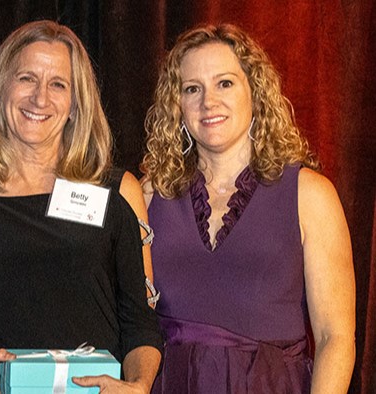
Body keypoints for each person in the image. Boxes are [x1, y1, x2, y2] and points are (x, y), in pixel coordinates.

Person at [0, 20, 163, 394]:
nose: (40, 98)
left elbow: (141, 322)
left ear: (74, 105)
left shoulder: (118, 192)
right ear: (0, 88)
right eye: (26, 79)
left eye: (58, 84)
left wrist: (138, 385)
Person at [140, 23, 355, 393]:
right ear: (176, 104)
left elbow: (336, 337)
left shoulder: (310, 195)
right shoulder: (148, 195)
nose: (209, 102)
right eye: (192, 89)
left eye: (225, 83)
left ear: (254, 91)